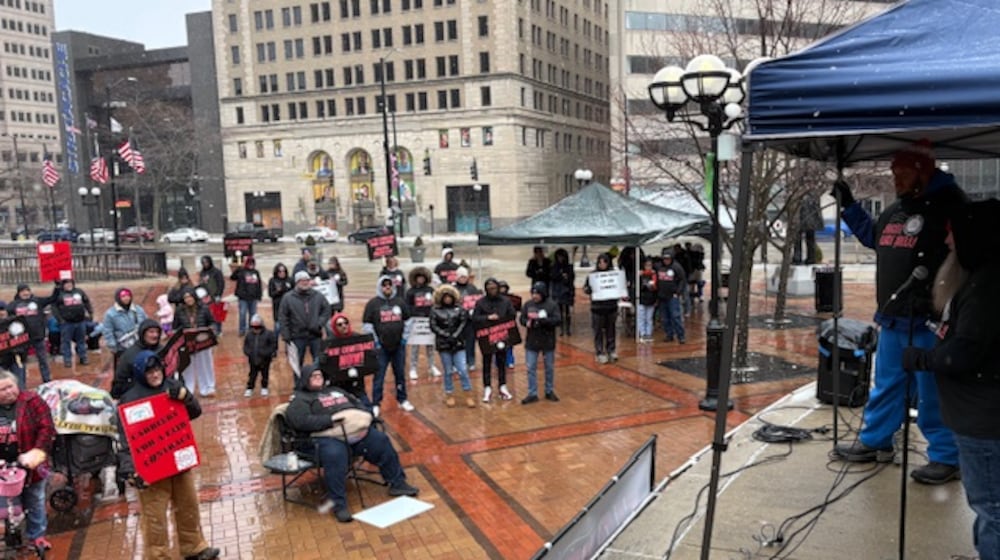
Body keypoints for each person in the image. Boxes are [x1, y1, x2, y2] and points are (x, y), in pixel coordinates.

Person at [834, 139, 965, 484]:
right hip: (893, 317)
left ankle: (946, 457)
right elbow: (873, 237)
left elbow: (969, 253)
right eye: (894, 173)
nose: (896, 180)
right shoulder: (897, 209)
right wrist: (849, 207)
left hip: (930, 320)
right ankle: (875, 440)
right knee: (888, 383)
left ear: (923, 171)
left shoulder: (951, 205)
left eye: (902, 174)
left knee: (932, 389)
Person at [900, 199, 1000, 558]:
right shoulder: (982, 279)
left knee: (992, 507)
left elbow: (965, 351)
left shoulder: (988, 288)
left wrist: (924, 358)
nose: (948, 244)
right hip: (978, 416)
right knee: (988, 505)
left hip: (984, 421)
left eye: (955, 237)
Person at [116, 351, 219, 560]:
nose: (155, 375)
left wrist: (186, 397)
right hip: (151, 471)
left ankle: (194, 547)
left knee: (189, 506)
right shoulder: (130, 400)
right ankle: (158, 556)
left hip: (179, 463)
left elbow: (195, 411)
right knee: (155, 518)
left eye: (157, 370)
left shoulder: (172, 387)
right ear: (140, 374)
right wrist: (129, 470)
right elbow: (125, 439)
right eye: (149, 372)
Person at [285, 365, 419, 523]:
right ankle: (339, 504)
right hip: (324, 437)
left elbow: (357, 403)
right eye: (313, 376)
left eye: (319, 375)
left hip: (354, 433)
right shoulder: (300, 399)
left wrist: (361, 416)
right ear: (305, 379)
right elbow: (300, 422)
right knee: (336, 453)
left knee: (379, 440)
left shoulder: (335, 390)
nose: (317, 378)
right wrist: (332, 420)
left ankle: (398, 483)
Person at [0, 368, 56, 551]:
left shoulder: (32, 401)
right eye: (2, 390)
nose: (9, 393)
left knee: (35, 499)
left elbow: (47, 428)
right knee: (6, 504)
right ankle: (11, 532)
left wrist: (36, 452)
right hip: (4, 466)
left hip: (33, 463)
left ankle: (37, 536)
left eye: (10, 387)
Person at [363, 276, 413, 414]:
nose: (387, 287)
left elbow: (408, 321)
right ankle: (376, 402)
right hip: (381, 348)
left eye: (389, 285)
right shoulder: (373, 304)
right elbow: (367, 325)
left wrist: (404, 339)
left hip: (398, 346)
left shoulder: (400, 302)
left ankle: (402, 399)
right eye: (384, 285)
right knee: (379, 375)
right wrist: (375, 342)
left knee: (400, 374)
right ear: (380, 286)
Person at [429, 285, 475, 408]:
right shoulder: (435, 310)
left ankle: (468, 393)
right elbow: (433, 326)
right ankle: (449, 393)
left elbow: (463, 322)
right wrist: (445, 335)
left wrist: (455, 335)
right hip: (444, 344)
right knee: (448, 371)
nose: (448, 299)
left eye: (450, 297)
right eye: (445, 297)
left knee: (463, 369)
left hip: (458, 343)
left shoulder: (459, 309)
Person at [279, 271, 331, 377]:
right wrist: (286, 335)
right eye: (302, 280)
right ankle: (298, 387)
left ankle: (318, 384)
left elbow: (326, 310)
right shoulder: (287, 298)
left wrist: (319, 323)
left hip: (315, 334)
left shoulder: (318, 296)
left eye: (307, 280)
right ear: (297, 282)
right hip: (297, 335)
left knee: (319, 361)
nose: (305, 282)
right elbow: (283, 317)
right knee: (297, 363)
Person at [473, 278, 517, 402]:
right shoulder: (481, 302)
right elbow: (475, 318)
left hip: (501, 335)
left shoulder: (505, 301)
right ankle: (487, 386)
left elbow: (512, 315)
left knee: (501, 361)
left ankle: (502, 385)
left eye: (494, 288)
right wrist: (488, 317)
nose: (492, 290)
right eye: (489, 288)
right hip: (487, 337)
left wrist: (501, 319)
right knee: (486, 362)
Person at [519, 282, 560, 404]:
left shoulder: (551, 305)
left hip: (547, 341)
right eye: (533, 293)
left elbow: (557, 320)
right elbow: (522, 318)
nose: (534, 296)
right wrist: (528, 322)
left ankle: (549, 390)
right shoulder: (528, 305)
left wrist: (544, 321)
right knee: (531, 367)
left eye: (537, 293)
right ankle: (532, 393)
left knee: (549, 367)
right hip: (532, 341)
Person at [9, 284, 56, 386]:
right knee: (22, 362)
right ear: (19, 293)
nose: (26, 293)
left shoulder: (38, 301)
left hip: (38, 336)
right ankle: (22, 384)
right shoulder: (13, 305)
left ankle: (47, 380)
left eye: (27, 291)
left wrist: (57, 286)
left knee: (43, 360)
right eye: (23, 291)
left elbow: (52, 298)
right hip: (22, 339)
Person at [173, 288, 217, 398]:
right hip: (187, 342)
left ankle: (208, 387)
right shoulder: (179, 311)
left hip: (203, 341)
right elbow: (175, 326)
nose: (188, 299)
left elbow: (211, 322)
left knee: (205, 364)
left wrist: (210, 329)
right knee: (188, 365)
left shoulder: (204, 308)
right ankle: (189, 388)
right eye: (186, 298)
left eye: (190, 296)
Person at [110, 319, 164, 400]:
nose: (155, 335)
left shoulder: (163, 350)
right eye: (151, 332)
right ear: (143, 334)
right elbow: (119, 380)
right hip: (139, 396)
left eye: (157, 332)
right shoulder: (129, 354)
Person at [405, 266, 441, 380]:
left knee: (430, 346)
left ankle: (432, 366)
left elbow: (435, 304)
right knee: (415, 347)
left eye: (422, 278)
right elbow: (408, 306)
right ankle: (413, 368)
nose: (420, 280)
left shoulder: (430, 290)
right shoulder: (410, 292)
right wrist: (414, 314)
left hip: (428, 321)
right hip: (416, 322)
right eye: (418, 278)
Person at [102, 287, 148, 375]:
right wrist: (112, 346)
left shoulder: (138, 310)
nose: (126, 298)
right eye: (123, 296)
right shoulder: (111, 314)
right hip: (122, 347)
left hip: (139, 344)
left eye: (128, 296)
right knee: (123, 371)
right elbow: (108, 331)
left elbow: (146, 323)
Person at [583, 253, 620, 363]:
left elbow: (618, 287)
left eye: (604, 262)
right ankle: (599, 352)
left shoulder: (613, 274)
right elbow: (587, 289)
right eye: (600, 262)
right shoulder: (592, 275)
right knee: (598, 331)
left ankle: (611, 350)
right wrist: (588, 289)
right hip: (597, 308)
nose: (602, 264)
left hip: (611, 307)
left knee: (611, 330)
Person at [326, 313, 369, 403]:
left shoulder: (358, 338)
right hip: (338, 383)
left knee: (367, 409)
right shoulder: (329, 342)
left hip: (356, 382)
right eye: (340, 324)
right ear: (334, 327)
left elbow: (368, 358)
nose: (344, 326)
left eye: (346, 323)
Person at [51, 278, 93, 368]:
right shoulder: (59, 294)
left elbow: (86, 302)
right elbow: (54, 308)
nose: (68, 285)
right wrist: (60, 320)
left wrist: (90, 312)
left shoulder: (79, 292)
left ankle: (83, 357)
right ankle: (67, 360)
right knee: (66, 342)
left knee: (81, 341)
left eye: (70, 283)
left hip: (80, 321)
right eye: (66, 284)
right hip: (66, 323)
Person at [656, 251, 686, 344]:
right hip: (662, 296)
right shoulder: (659, 267)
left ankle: (681, 336)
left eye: (668, 259)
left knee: (675, 316)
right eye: (664, 259)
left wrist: (678, 292)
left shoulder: (677, 267)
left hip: (672, 296)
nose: (666, 261)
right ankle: (669, 334)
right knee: (664, 318)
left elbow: (682, 280)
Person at [243, 314, 277, 397]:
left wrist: (267, 353)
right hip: (253, 358)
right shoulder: (249, 335)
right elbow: (245, 345)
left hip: (265, 359)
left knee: (265, 374)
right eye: (253, 327)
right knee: (252, 374)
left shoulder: (269, 334)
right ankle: (250, 387)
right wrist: (248, 353)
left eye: (257, 327)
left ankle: (264, 387)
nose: (255, 330)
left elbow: (273, 346)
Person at [231, 255, 263, 337]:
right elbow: (232, 277)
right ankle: (242, 330)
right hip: (243, 298)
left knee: (253, 314)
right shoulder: (241, 271)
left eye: (252, 263)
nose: (251, 265)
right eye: (249, 263)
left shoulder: (256, 272)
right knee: (242, 314)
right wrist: (238, 268)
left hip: (253, 297)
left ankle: (251, 329)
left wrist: (259, 295)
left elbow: (259, 284)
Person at [549, 248, 575, 336]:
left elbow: (571, 279)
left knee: (567, 312)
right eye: (559, 257)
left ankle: (568, 329)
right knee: (559, 311)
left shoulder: (569, 267)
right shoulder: (554, 267)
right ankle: (561, 329)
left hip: (567, 292)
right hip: (558, 292)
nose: (561, 259)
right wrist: (560, 275)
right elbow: (552, 277)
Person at [0, 302, 28, 384]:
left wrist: (21, 353)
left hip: (16, 358)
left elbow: (25, 338)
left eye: (3, 310)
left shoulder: (16, 322)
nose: (1, 312)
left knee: (20, 384)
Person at [197, 256, 225, 335]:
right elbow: (201, 283)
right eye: (203, 263)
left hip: (215, 296)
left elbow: (221, 284)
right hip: (205, 297)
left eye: (206, 262)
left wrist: (218, 294)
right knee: (207, 314)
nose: (205, 264)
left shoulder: (216, 272)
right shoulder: (202, 272)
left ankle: (218, 330)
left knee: (216, 314)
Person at [268, 263, 293, 339]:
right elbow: (271, 294)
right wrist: (278, 291)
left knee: (289, 328)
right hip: (278, 306)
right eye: (280, 271)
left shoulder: (290, 280)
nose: (282, 273)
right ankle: (274, 346)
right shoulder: (273, 280)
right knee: (277, 327)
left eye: (283, 271)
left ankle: (288, 347)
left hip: (289, 307)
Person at [637, 257, 658, 343]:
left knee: (649, 318)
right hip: (642, 299)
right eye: (647, 265)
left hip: (651, 299)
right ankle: (642, 334)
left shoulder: (654, 275)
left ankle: (648, 334)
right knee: (641, 317)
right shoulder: (640, 275)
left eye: (650, 265)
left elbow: (657, 288)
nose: (648, 267)